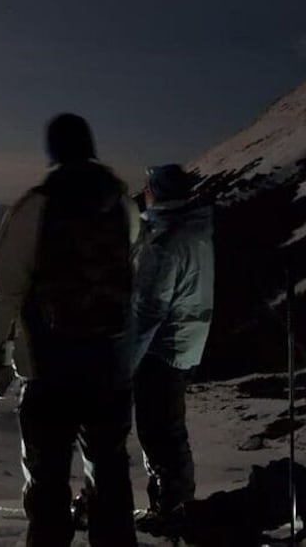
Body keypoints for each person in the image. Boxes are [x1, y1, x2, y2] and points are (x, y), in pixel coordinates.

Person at [0, 113, 140, 547]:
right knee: (109, 471)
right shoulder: (123, 205)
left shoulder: (36, 206)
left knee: (47, 481)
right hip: (109, 362)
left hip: (50, 366)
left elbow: (5, 287)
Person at [130, 164, 214, 535]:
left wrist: (124, 361)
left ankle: (170, 511)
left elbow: (147, 310)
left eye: (148, 188)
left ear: (157, 193)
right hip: (185, 344)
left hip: (162, 350)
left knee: (158, 431)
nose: (144, 193)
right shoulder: (195, 231)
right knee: (169, 431)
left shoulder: (165, 242)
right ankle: (177, 508)